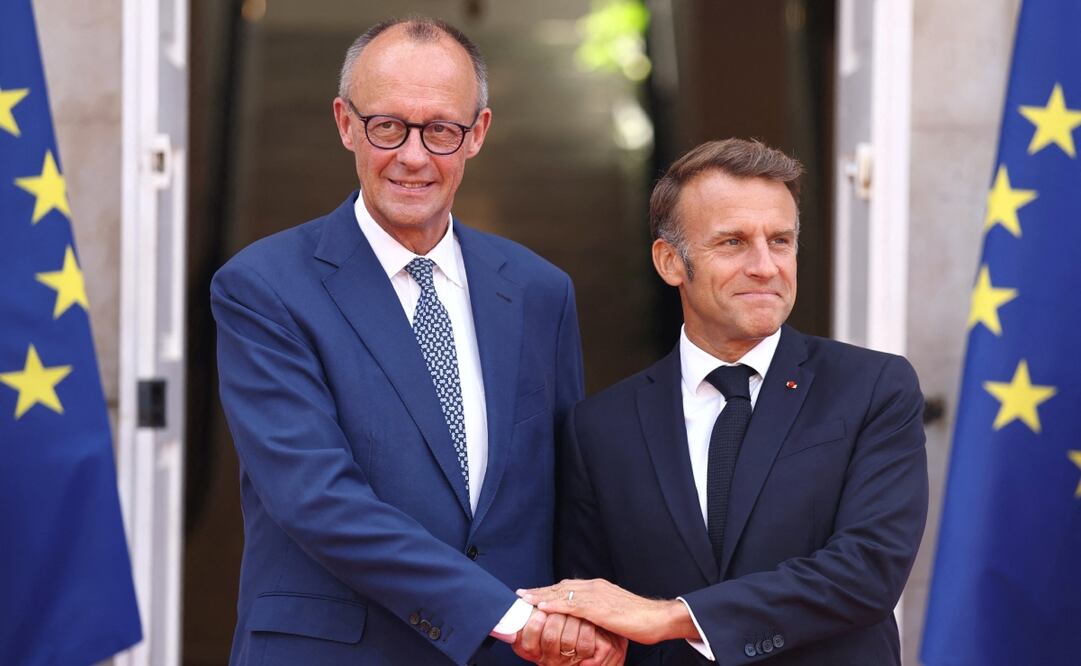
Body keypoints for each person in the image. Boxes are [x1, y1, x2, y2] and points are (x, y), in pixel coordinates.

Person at [212, 16, 623, 666]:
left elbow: (565, 492)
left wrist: (577, 622)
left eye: (439, 129)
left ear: (477, 134)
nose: (412, 155)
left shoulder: (540, 291)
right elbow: (316, 498)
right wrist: (511, 617)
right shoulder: (264, 288)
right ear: (346, 122)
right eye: (387, 127)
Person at [520, 139, 928, 664]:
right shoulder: (598, 428)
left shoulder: (874, 387)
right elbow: (593, 604)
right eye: (733, 243)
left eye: (780, 241)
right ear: (671, 262)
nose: (764, 265)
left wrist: (671, 617)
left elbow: (868, 571)